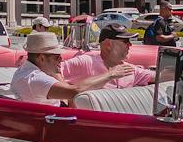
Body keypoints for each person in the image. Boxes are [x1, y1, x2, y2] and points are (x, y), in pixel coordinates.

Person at [8, 29, 140, 104]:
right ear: (41, 58)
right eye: (56, 56)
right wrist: (110, 74)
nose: (61, 59)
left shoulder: (28, 72)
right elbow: (75, 91)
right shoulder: (35, 78)